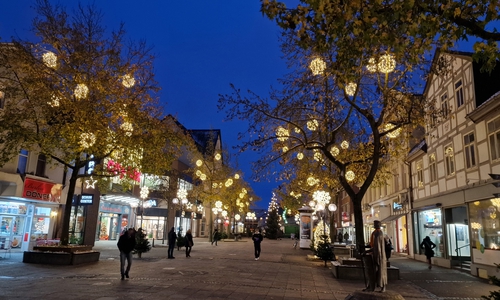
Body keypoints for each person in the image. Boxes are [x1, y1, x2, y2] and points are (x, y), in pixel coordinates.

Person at [368, 220, 387, 292]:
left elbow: (377, 246)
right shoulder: (375, 233)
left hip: (379, 255)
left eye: (375, 224)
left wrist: (368, 251)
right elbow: (373, 245)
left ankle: (383, 286)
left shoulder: (379, 234)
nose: (374, 225)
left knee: (381, 271)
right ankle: (371, 286)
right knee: (374, 271)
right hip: (375, 254)